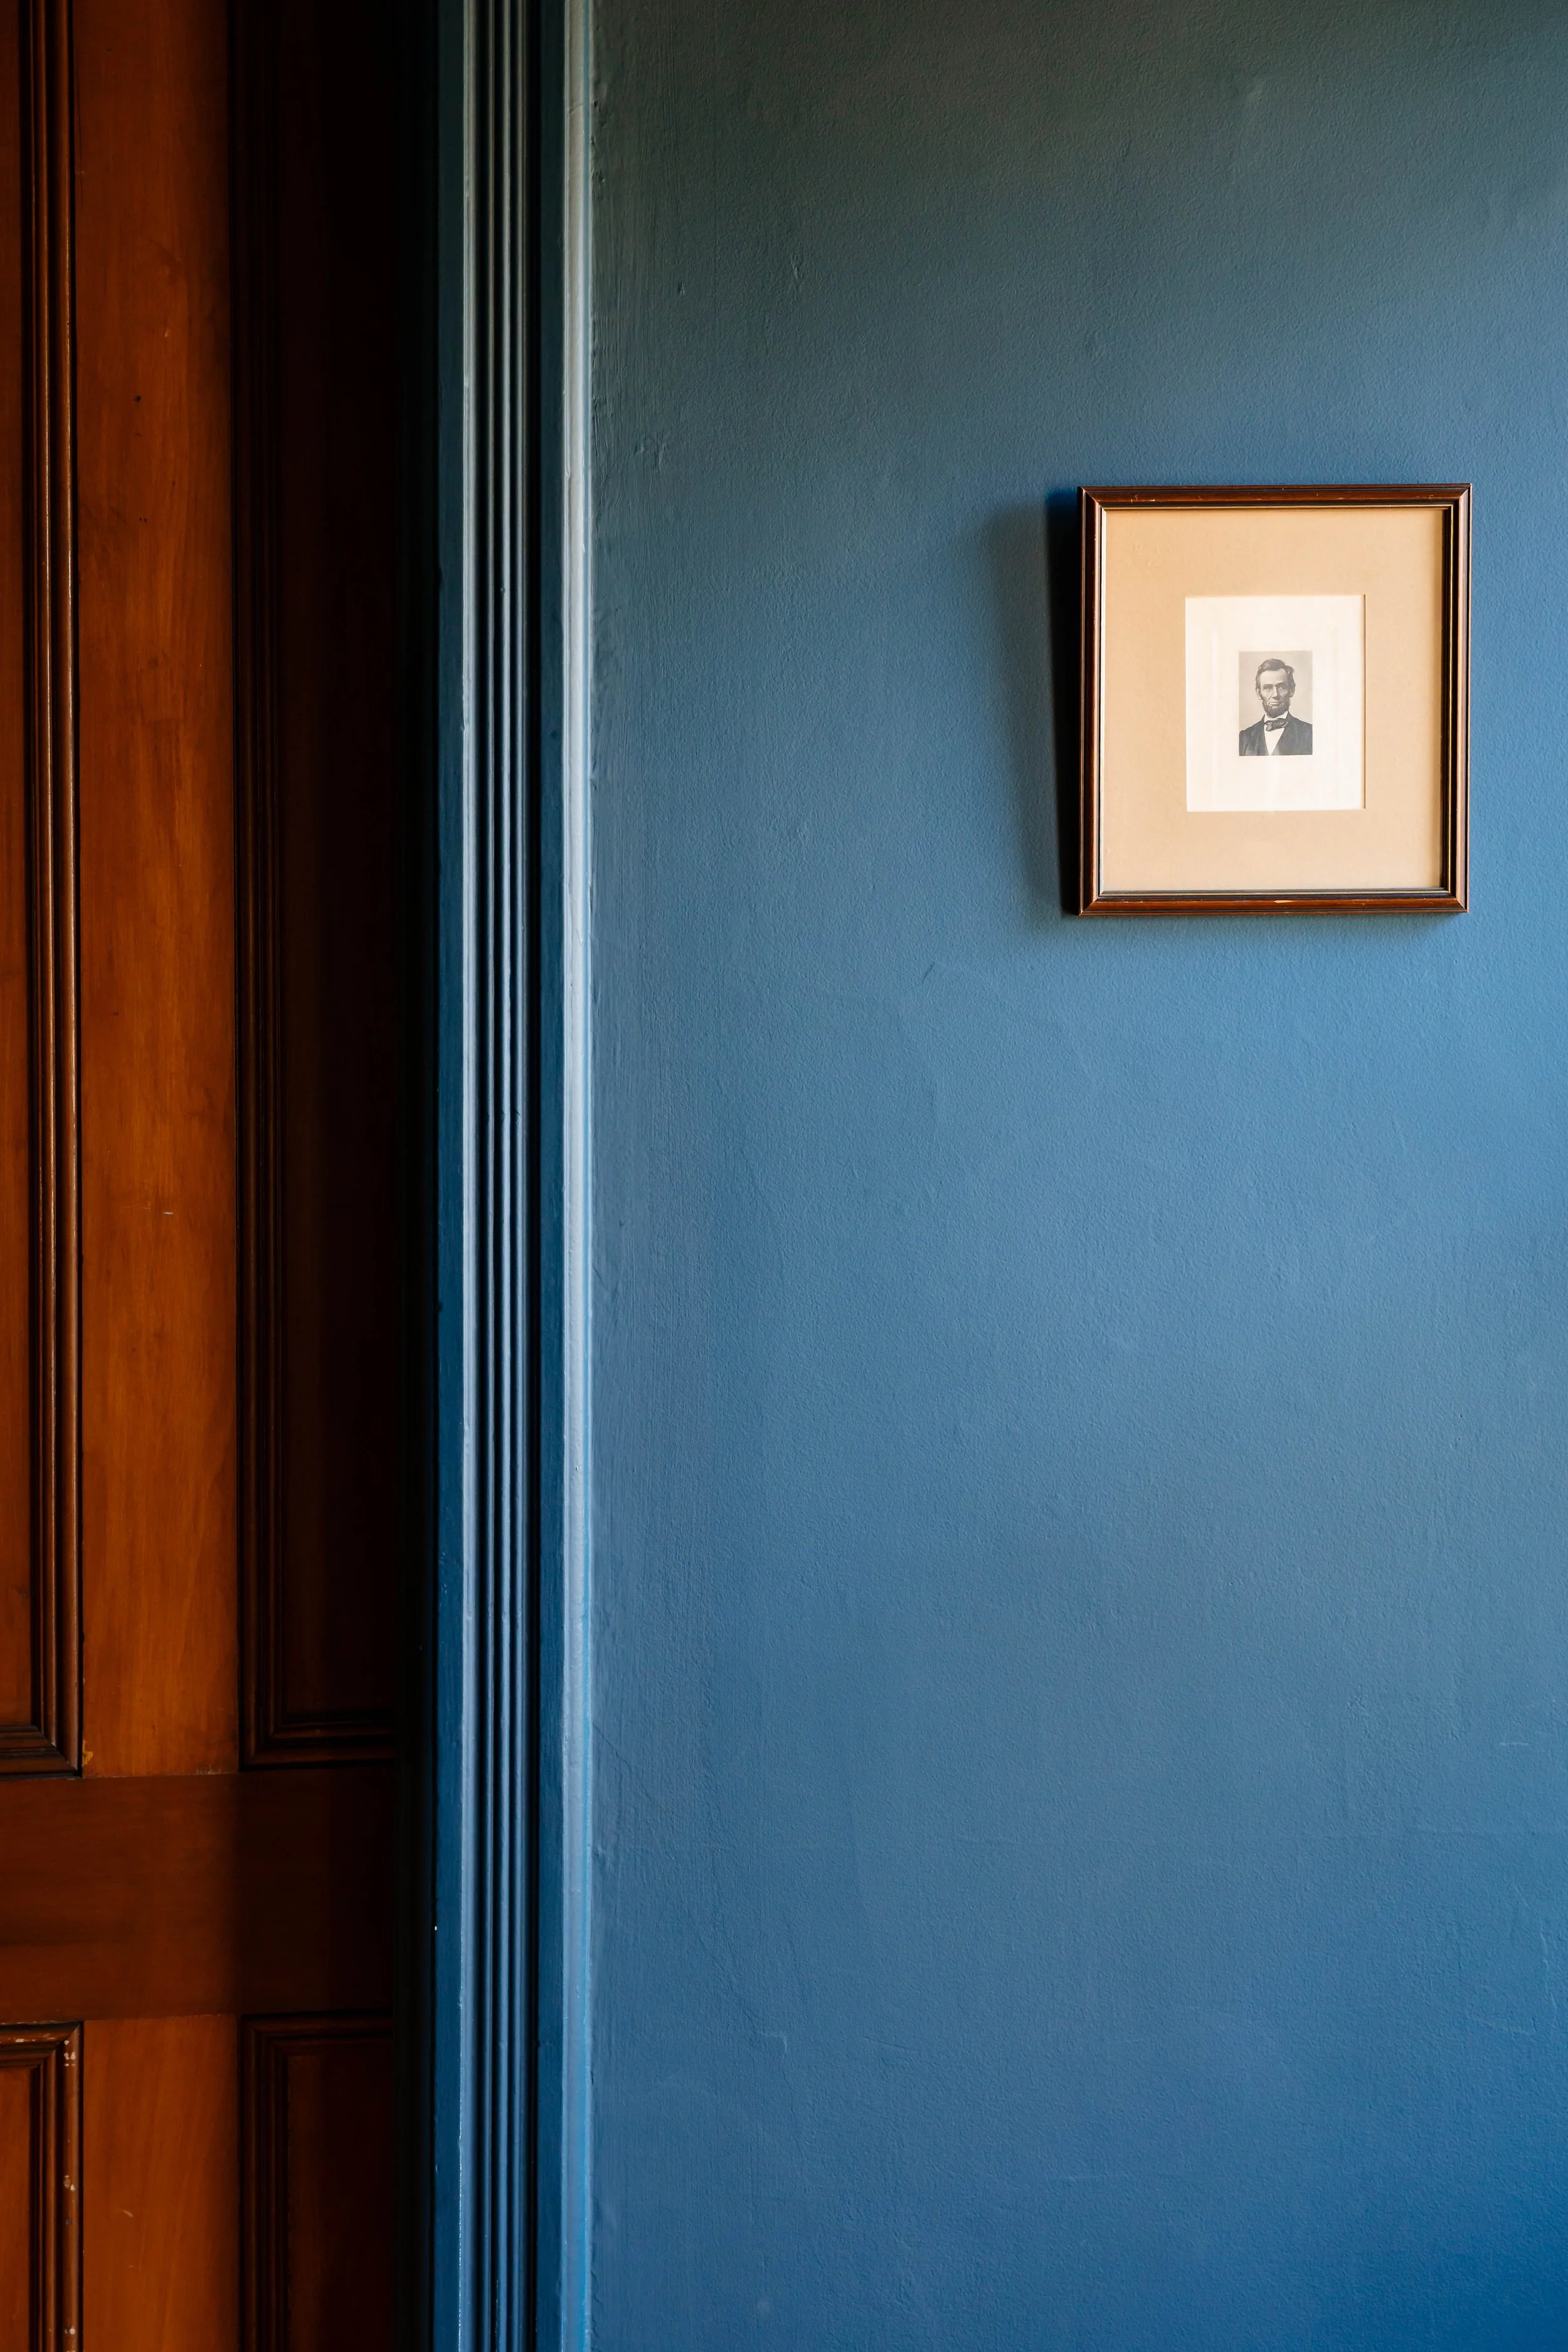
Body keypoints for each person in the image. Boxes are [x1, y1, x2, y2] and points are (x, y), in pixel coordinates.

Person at [1239, 659, 1313, 755]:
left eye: (1281, 687)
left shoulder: (1310, 733)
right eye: (1268, 688)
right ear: (1259, 693)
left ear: (1291, 690)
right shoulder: (1244, 738)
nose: (1275, 695)